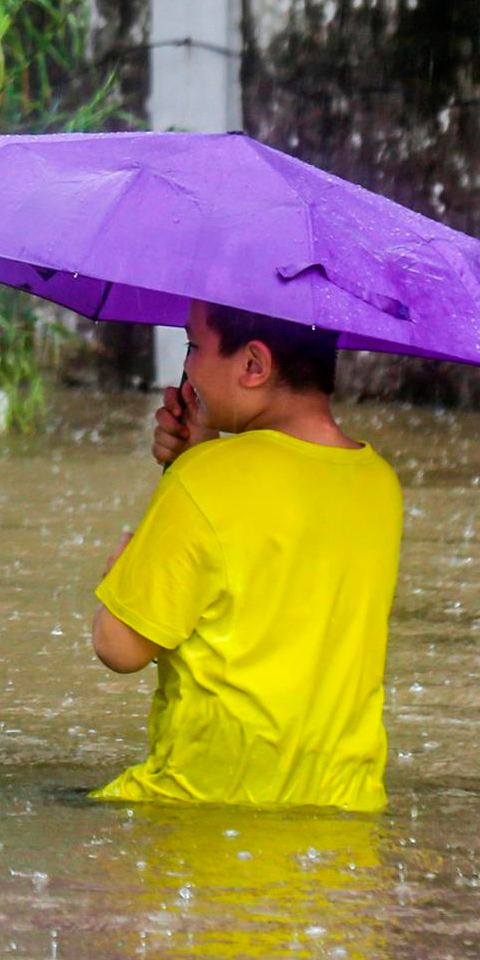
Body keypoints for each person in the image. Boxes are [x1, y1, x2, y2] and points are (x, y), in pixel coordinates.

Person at [89, 299, 402, 812]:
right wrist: (202, 449)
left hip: (196, 809)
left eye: (193, 346)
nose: (186, 367)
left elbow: (119, 647)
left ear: (254, 365)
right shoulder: (379, 484)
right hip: (343, 813)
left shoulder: (206, 482)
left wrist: (130, 565)